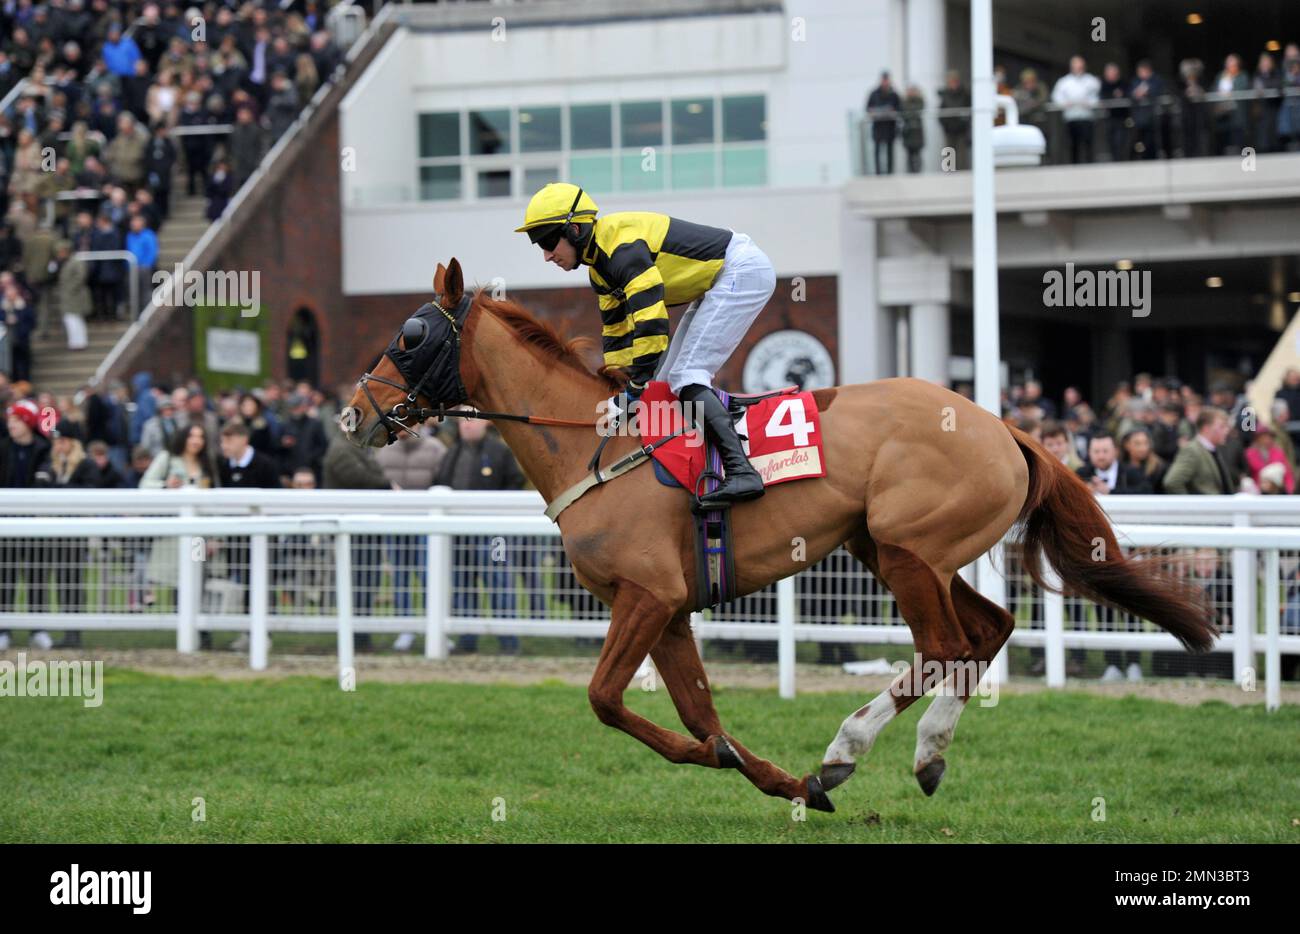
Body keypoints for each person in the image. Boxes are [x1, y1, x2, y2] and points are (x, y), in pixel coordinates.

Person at [514, 182, 773, 508]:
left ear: (576, 229)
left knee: (687, 376)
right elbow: (618, 338)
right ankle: (703, 458)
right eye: (538, 244)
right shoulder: (600, 271)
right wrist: (617, 390)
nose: (547, 254)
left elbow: (652, 326)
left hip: (741, 270)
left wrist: (633, 390)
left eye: (549, 241)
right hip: (716, 280)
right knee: (664, 386)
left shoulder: (622, 251)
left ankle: (741, 471)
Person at [433, 415, 527, 655]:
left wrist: (496, 511)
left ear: (485, 422)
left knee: (499, 583)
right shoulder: (452, 453)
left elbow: (515, 482)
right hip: (459, 533)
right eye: (463, 421)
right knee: (462, 585)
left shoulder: (500, 452)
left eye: (471, 420)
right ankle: (467, 639)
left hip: (493, 534)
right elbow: (441, 482)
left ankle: (508, 640)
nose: (466, 424)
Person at [376, 418, 447, 651]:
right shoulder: (383, 450)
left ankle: (435, 626)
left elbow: (443, 481)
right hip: (395, 524)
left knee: (430, 577)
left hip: (427, 524)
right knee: (400, 579)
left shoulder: (436, 448)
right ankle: (405, 628)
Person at [0, 399, 53, 651]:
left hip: (35, 525)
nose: (11, 426)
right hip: (6, 523)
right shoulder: (3, 448)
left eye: (15, 421)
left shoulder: (44, 449)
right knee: (5, 576)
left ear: (27, 423)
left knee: (36, 576)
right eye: (9, 421)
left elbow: (47, 482)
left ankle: (38, 628)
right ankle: (3, 629)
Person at [1162, 407, 1234, 494]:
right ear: (1206, 428)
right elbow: (1172, 482)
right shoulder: (1192, 450)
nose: (1227, 430)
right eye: (1222, 426)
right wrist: (1191, 505)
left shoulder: (1214, 450)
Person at [1052, 55, 1100, 164]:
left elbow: (1096, 97)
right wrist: (1064, 104)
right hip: (1071, 117)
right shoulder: (1064, 81)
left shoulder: (1091, 80)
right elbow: (1056, 96)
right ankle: (1075, 165)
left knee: (1088, 143)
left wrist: (1090, 103)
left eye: (1080, 66)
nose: (1078, 68)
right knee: (1073, 144)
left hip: (1087, 117)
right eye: (1075, 66)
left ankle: (1090, 164)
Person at [865, 71, 900, 175]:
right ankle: (878, 173)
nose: (885, 82)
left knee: (890, 151)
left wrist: (892, 112)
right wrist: (876, 112)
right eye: (884, 80)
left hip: (890, 127)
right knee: (877, 151)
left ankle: (890, 173)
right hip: (878, 127)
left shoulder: (894, 94)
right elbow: (868, 109)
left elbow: (899, 109)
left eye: (887, 80)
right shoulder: (873, 94)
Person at [1243, 425, 1294, 494]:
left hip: (1277, 491)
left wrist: (1289, 490)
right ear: (1257, 438)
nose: (1266, 440)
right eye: (1263, 437)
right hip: (1257, 492)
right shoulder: (1249, 453)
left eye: (1269, 437)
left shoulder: (1278, 452)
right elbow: (1247, 474)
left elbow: (1287, 473)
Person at [937, 70, 971, 168]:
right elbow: (941, 112)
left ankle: (963, 172)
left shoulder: (965, 94)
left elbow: (968, 110)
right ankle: (950, 173)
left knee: (962, 153)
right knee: (949, 152)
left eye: (954, 81)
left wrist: (965, 122)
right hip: (949, 129)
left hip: (962, 129)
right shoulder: (945, 95)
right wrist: (945, 125)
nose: (952, 83)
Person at [899, 84, 925, 173]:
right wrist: (911, 113)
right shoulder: (903, 102)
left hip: (917, 132)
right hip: (908, 132)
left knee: (918, 154)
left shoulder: (919, 100)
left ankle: (918, 171)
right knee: (909, 155)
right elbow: (904, 113)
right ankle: (910, 172)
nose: (911, 93)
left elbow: (918, 111)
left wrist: (910, 113)